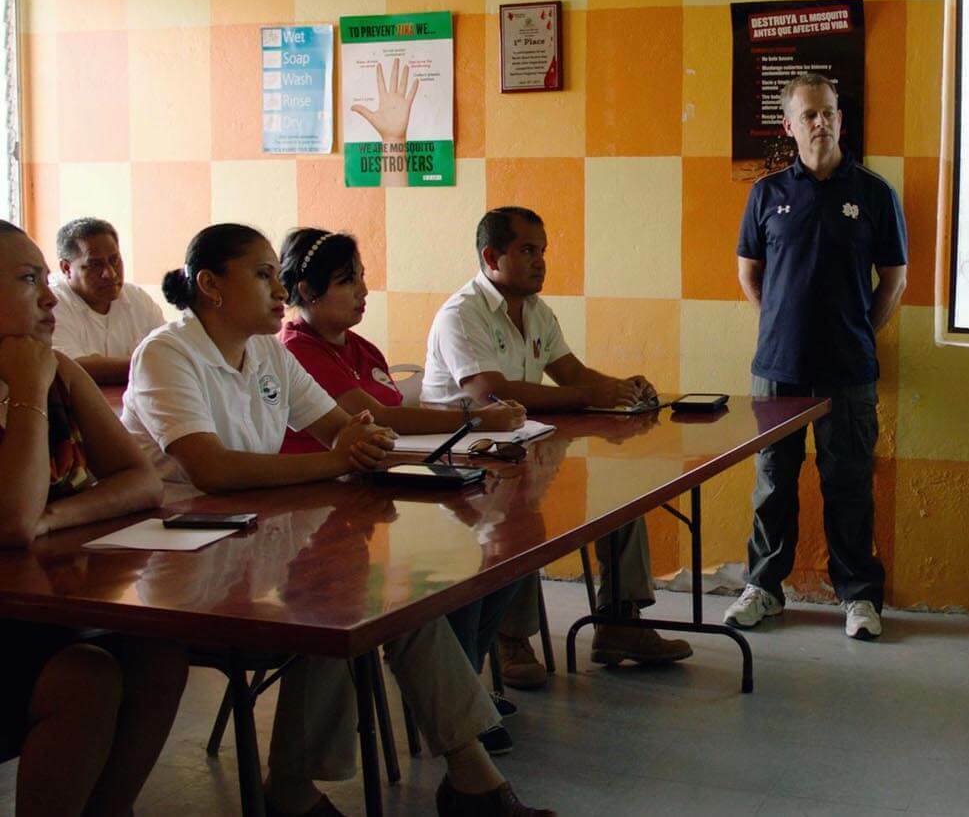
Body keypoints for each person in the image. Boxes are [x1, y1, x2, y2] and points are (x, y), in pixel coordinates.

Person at [119, 223, 549, 817]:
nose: (279, 290)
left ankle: (470, 775)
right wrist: (342, 453)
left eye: (278, 274)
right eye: (263, 275)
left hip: (251, 536)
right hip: (178, 559)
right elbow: (211, 469)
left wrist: (363, 439)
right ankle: (298, 789)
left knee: (387, 605)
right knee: (334, 603)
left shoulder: (266, 351)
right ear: (211, 286)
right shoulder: (168, 351)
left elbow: (335, 429)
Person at [275, 227, 530, 747]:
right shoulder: (295, 350)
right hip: (318, 513)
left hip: (377, 494)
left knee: (507, 549)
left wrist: (471, 420)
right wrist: (474, 417)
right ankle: (456, 707)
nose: (363, 291)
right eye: (348, 281)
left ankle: (463, 691)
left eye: (362, 277)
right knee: (446, 572)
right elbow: (374, 417)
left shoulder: (361, 345)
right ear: (307, 292)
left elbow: (391, 420)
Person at [421, 206, 692, 681]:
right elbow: (489, 391)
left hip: (524, 446)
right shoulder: (461, 314)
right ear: (491, 256)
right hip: (462, 463)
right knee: (518, 505)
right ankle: (511, 640)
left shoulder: (536, 311)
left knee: (618, 499)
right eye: (527, 250)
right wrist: (588, 395)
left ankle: (618, 624)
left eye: (543, 251)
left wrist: (622, 390)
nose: (540, 261)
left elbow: (573, 375)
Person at [0, 220, 189, 816]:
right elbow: (9, 521)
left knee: (161, 652)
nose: (50, 296)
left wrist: (54, 518)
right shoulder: (41, 378)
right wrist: (28, 389)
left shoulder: (62, 373)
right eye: (30, 280)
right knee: (88, 678)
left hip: (44, 606)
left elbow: (142, 482)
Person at [724, 72, 908, 641]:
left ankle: (858, 597)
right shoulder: (767, 193)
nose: (820, 123)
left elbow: (894, 279)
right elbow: (747, 274)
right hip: (777, 371)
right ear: (789, 125)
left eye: (828, 112)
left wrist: (859, 330)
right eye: (809, 115)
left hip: (849, 371)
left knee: (848, 483)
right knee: (773, 483)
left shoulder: (875, 193)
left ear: (840, 119)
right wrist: (782, 324)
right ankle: (763, 587)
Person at [48, 217, 165, 385]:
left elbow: (168, 352)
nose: (110, 274)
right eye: (95, 265)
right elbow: (71, 369)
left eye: (114, 260)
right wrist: (149, 364)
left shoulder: (137, 298)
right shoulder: (51, 304)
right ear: (66, 268)